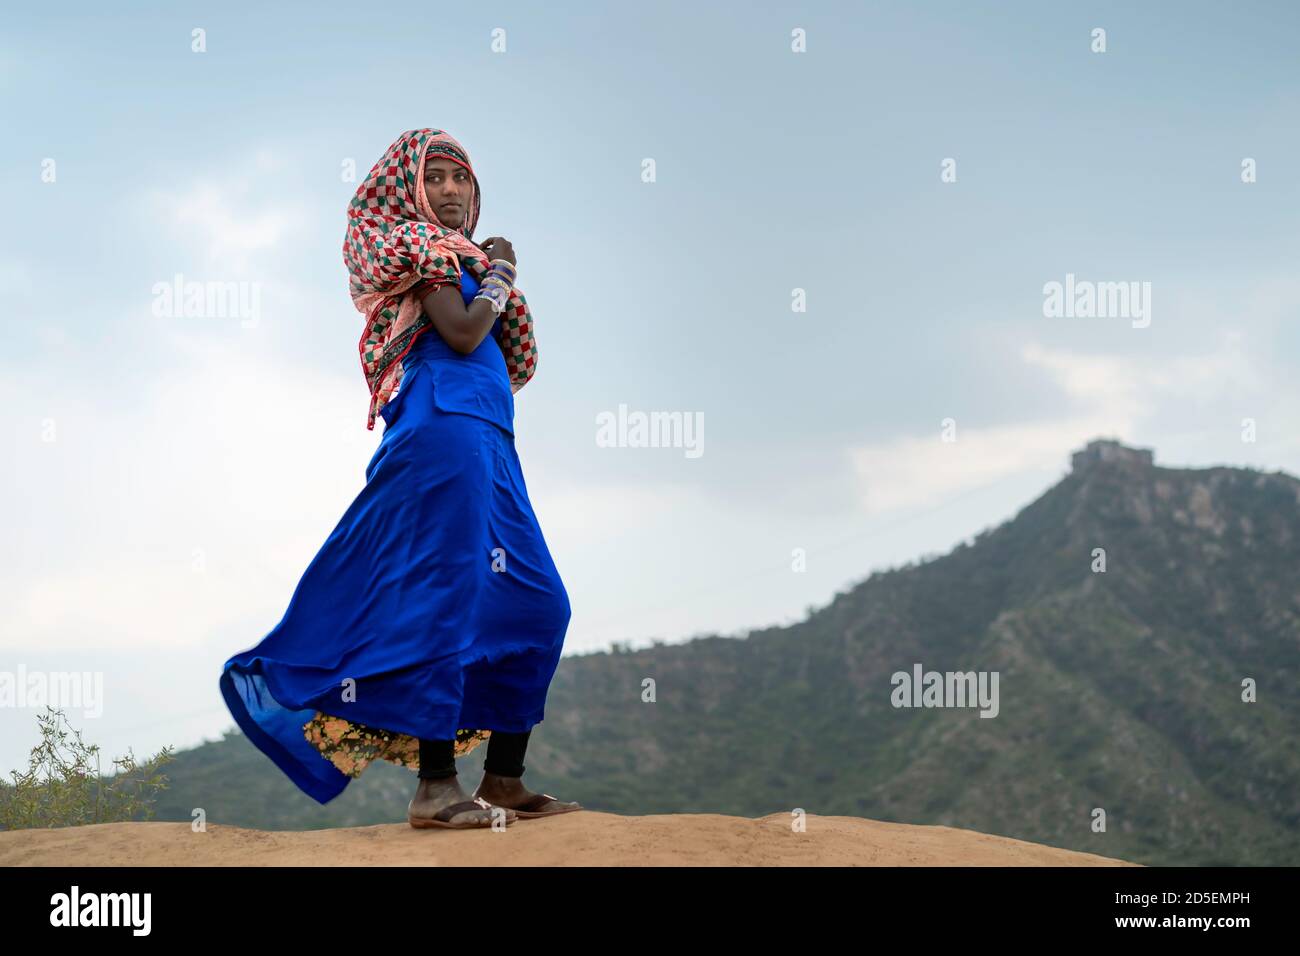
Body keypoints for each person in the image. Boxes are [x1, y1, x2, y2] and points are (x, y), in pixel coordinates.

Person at [219, 128, 581, 830]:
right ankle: (436, 788)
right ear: (412, 190)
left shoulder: (463, 260)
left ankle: (504, 779)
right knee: (442, 598)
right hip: (442, 430)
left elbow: (509, 357)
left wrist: (494, 274)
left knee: (538, 604)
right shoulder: (424, 253)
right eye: (436, 177)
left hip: (491, 440)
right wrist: (503, 270)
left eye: (462, 179)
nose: (450, 191)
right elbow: (467, 335)